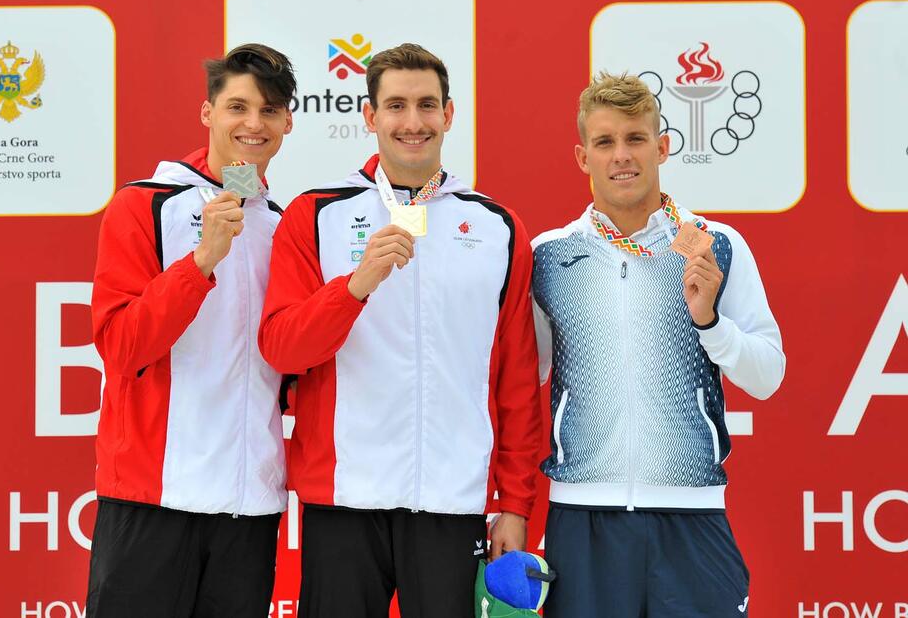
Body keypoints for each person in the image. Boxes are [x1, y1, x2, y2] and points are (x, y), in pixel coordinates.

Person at [258, 43, 542, 618]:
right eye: (395, 106)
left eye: (426, 105)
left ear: (449, 114)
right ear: (369, 117)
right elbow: (283, 347)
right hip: (343, 498)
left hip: (451, 500)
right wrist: (355, 285)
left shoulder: (495, 227)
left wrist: (514, 501)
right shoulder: (317, 215)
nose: (412, 123)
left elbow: (516, 378)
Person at [531, 71, 785, 617]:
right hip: (582, 517)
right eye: (605, 143)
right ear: (582, 157)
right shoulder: (549, 256)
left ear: (663, 146)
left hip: (692, 515)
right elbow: (517, 379)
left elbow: (767, 376)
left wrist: (711, 321)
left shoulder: (716, 245)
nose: (622, 156)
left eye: (635, 139)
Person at [86, 43, 296, 618]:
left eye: (270, 110)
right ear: (208, 113)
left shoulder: (286, 227)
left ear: (288, 123)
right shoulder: (143, 206)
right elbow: (123, 348)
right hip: (153, 499)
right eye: (237, 107)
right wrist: (201, 261)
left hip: (247, 506)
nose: (253, 124)